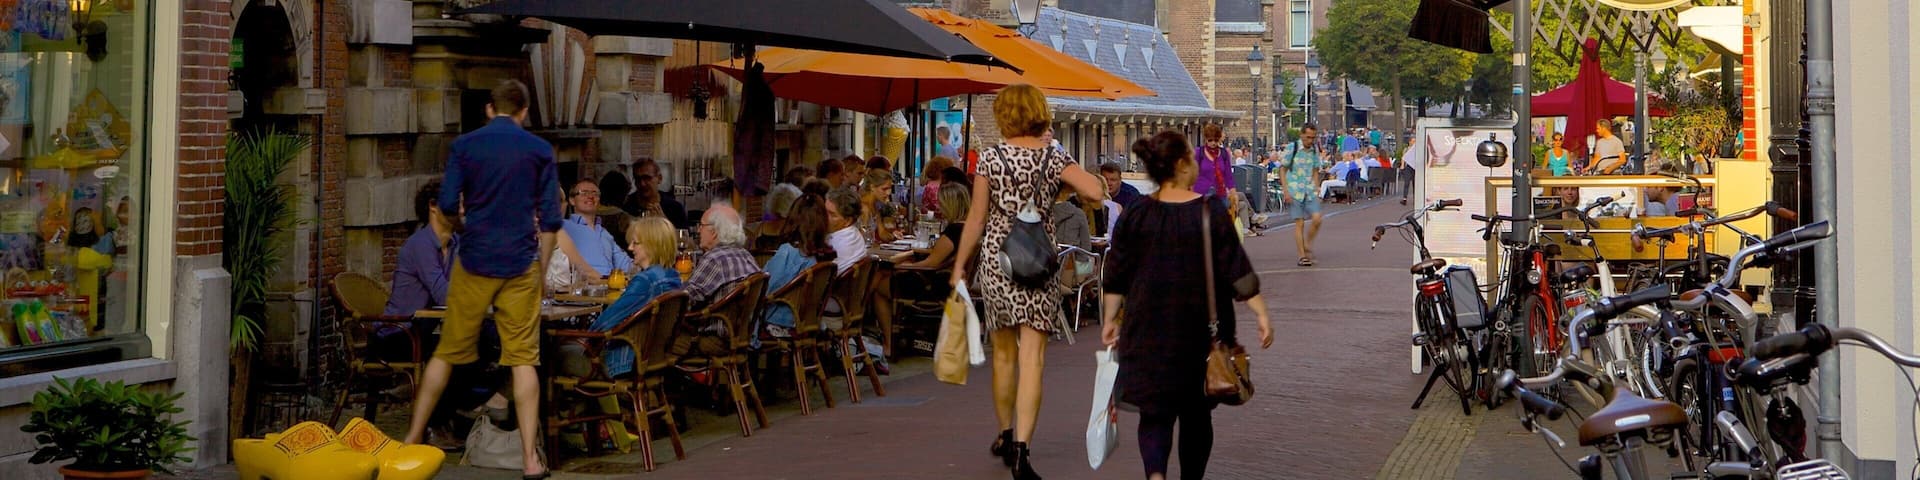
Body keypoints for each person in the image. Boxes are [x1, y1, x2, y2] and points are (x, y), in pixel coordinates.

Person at [949, 83, 1107, 480]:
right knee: (1033, 359)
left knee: (1003, 354)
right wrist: (1061, 166)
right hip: (1038, 261)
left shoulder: (991, 158)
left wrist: (959, 266)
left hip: (998, 261)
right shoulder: (1053, 156)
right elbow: (1096, 191)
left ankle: (1004, 433)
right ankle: (1022, 450)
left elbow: (976, 219)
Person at [405, 79, 556, 478]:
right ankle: (530, 459)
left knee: (447, 352)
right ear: (524, 112)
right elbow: (551, 221)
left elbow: (448, 203)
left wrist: (467, 226)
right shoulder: (540, 150)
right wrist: (541, 269)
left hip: (474, 261)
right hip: (520, 263)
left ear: (490, 108)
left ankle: (412, 439)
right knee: (523, 360)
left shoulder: (465, 146)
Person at [1101, 130, 1273, 480]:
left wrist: (1109, 318)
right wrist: (1261, 313)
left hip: (1146, 329)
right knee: (1196, 415)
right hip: (1200, 333)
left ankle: (1155, 474)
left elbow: (1116, 273)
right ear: (1182, 165)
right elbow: (1236, 269)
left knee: (1155, 413)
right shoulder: (1210, 212)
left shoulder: (1136, 213)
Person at [562, 217, 683, 378]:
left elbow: (606, 322)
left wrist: (585, 338)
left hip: (622, 363)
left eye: (635, 243)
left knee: (555, 352)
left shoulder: (645, 281)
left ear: (651, 246)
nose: (630, 247)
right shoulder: (673, 277)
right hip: (654, 359)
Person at [677, 205, 761, 359]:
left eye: (701, 225)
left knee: (655, 341)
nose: (698, 230)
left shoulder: (714, 259)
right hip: (741, 338)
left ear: (714, 232)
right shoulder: (746, 256)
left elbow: (683, 302)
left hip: (714, 342)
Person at [761, 193, 834, 339]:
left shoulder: (787, 252)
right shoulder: (824, 255)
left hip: (779, 321)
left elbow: (768, 287)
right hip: (810, 321)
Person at [557, 179, 635, 280]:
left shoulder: (605, 234)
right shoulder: (563, 226)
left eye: (595, 193)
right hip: (582, 285)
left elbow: (626, 264)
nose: (590, 196)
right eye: (584, 193)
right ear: (572, 200)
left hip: (610, 284)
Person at [1279, 124, 1328, 266]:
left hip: (1310, 190)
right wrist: (1285, 190)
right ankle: (1302, 256)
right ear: (1301, 135)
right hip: (1295, 190)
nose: (1310, 140)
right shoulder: (1292, 148)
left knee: (1317, 218)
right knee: (1299, 223)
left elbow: (1315, 170)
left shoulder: (1314, 150)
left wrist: (1317, 188)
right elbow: (1283, 169)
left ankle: (1307, 243)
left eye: (1313, 138)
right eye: (1308, 137)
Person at [892, 182, 969, 269]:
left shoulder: (954, 231)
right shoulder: (966, 228)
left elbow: (931, 263)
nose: (938, 207)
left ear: (949, 205)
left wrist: (900, 266)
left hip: (933, 274)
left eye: (941, 203)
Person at [628, 158, 690, 229]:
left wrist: (664, 223)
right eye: (638, 179)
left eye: (647, 178)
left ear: (659, 178)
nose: (642, 184)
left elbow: (683, 235)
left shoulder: (675, 208)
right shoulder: (627, 206)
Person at [823, 187, 868, 274]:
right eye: (824, 211)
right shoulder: (853, 233)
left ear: (848, 221)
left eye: (832, 215)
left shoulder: (838, 242)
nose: (824, 216)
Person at [1190, 124, 1235, 198]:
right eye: (1210, 140)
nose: (1213, 143)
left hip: (1220, 193)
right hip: (1200, 194)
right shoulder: (1199, 152)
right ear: (1206, 139)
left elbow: (1228, 175)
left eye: (1216, 140)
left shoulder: (1224, 153)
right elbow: (1192, 174)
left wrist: (1233, 193)